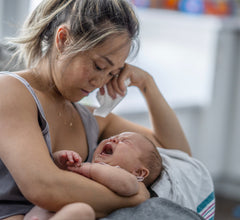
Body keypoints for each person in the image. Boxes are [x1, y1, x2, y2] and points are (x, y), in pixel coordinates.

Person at [0, 0, 211, 220]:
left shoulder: (86, 117)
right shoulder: (10, 91)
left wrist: (147, 85)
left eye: (112, 73)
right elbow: (43, 187)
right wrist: (136, 197)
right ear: (63, 40)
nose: (100, 82)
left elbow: (177, 154)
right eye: (99, 66)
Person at [24, 131, 162, 220]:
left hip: (66, 214)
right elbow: (51, 171)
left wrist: (89, 168)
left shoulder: (131, 181)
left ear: (138, 172)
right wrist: (60, 159)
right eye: (113, 137)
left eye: (124, 141)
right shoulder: (84, 164)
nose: (113, 139)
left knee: (82, 211)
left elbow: (127, 186)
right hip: (40, 211)